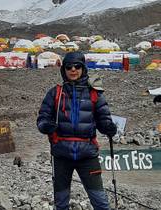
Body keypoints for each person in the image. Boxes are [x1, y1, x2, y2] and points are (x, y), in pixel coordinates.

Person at [36, 52, 117, 210]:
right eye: (69, 67)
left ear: (83, 68)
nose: (73, 69)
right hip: (61, 155)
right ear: (64, 70)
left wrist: (109, 127)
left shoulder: (94, 93)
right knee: (61, 203)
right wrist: (46, 126)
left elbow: (104, 120)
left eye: (77, 66)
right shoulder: (55, 93)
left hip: (87, 156)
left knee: (100, 202)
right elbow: (42, 119)